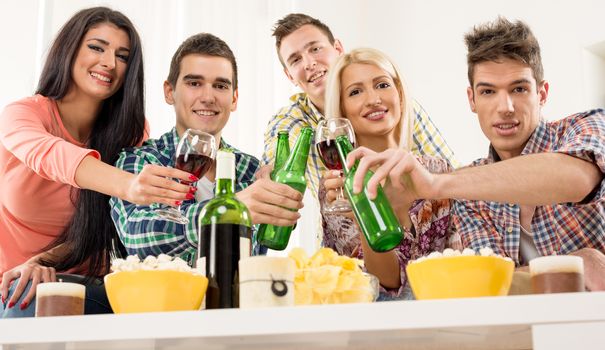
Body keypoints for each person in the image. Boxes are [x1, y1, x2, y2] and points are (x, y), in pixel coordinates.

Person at [345, 17, 605, 291]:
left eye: (519, 89)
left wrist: (436, 183)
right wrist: (579, 261)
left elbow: (577, 179)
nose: (505, 107)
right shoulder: (469, 197)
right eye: (488, 91)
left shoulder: (587, 126)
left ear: (542, 93)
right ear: (472, 99)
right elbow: (493, 288)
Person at [0, 7, 195, 318]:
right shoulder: (22, 115)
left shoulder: (131, 132)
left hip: (93, 284)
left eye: (122, 56)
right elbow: (51, 156)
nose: (109, 63)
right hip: (16, 283)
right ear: (69, 47)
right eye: (96, 47)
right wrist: (129, 185)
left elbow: (107, 227)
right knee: (23, 303)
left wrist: (45, 260)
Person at [110, 33, 304, 261]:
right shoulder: (140, 161)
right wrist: (229, 211)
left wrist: (282, 210)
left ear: (234, 99)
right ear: (169, 92)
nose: (208, 97)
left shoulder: (252, 171)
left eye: (220, 86)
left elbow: (256, 257)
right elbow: (137, 238)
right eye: (194, 83)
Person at [263, 13, 458, 200]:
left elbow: (452, 176)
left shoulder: (397, 106)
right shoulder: (295, 119)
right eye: (296, 59)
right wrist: (273, 172)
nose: (309, 63)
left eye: (315, 49)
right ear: (290, 76)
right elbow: (277, 157)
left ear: (338, 49)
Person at [320, 48, 455, 299]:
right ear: (342, 109)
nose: (373, 99)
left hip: (444, 324)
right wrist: (364, 216)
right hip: (373, 329)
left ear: (400, 95)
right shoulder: (337, 185)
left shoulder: (439, 170)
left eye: (382, 85)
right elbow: (386, 284)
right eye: (356, 91)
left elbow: (461, 263)